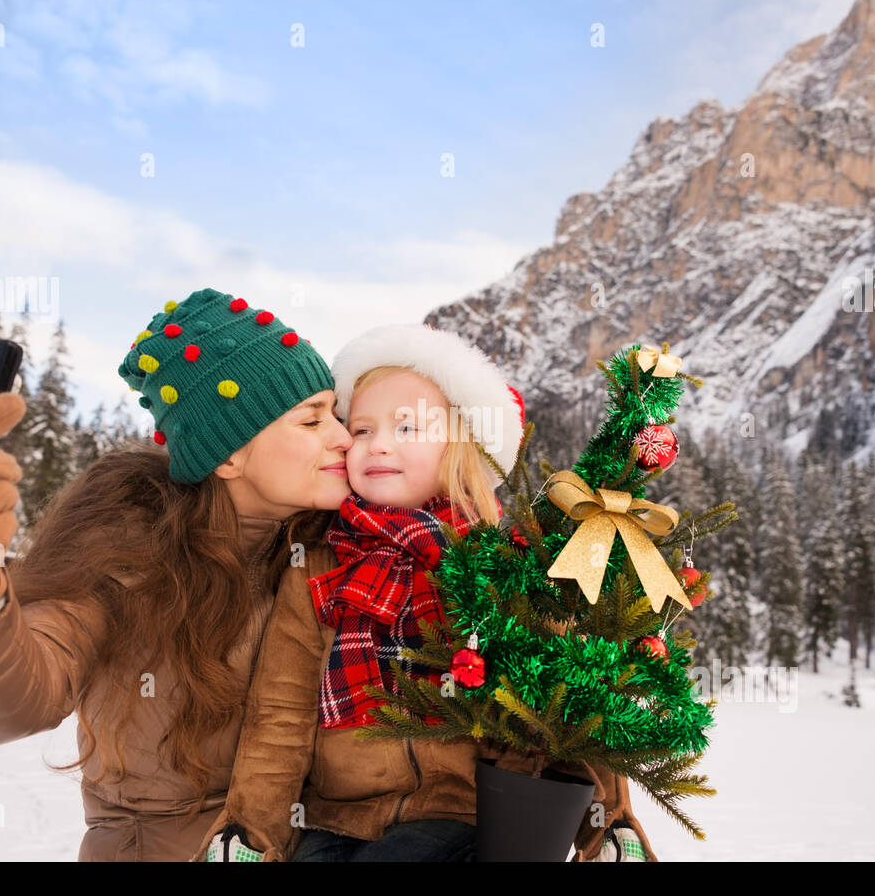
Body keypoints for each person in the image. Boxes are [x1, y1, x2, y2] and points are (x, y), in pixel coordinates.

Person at [0, 287, 351, 860]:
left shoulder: (333, 548)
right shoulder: (127, 553)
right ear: (228, 456)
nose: (342, 436)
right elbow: (13, 701)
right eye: (311, 420)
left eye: (336, 413)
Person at [196, 324, 658, 862]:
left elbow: (570, 699)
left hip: (460, 819)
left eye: (408, 427)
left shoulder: (501, 562)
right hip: (333, 819)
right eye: (362, 429)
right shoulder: (319, 561)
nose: (379, 443)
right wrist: (252, 834)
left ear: (457, 447)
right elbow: (280, 711)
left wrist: (609, 827)